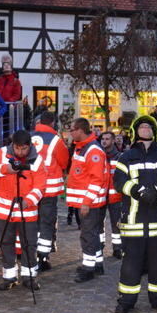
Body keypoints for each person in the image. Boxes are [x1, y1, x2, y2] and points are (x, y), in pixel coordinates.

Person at [113, 115, 157, 313]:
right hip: (134, 221)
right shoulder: (126, 157)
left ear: (155, 131)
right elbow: (119, 181)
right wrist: (139, 191)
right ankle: (126, 301)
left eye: (149, 127)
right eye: (141, 126)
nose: (145, 129)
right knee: (131, 264)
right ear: (135, 132)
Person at [0, 130, 47, 290]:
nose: (20, 152)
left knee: (29, 244)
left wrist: (29, 200)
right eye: (17, 148)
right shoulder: (2, 153)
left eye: (23, 149)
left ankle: (29, 277)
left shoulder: (37, 160)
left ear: (29, 146)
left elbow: (40, 185)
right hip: (3, 211)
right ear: (13, 145)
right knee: (6, 243)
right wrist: (6, 169)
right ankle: (9, 277)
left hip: (27, 210)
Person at [66, 118, 108, 283]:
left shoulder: (92, 151)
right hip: (87, 201)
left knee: (88, 235)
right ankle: (97, 264)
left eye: (72, 130)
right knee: (93, 234)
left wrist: (86, 202)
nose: (70, 133)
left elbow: (96, 179)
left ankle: (88, 268)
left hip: (89, 202)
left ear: (80, 130)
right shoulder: (82, 148)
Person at [31, 111, 70, 271]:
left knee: (32, 222)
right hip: (49, 189)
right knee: (46, 223)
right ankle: (43, 257)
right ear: (53, 123)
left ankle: (29, 253)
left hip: (32, 188)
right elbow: (64, 161)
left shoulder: (29, 136)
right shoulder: (56, 140)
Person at [99, 130, 123, 260]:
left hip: (115, 196)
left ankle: (117, 248)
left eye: (107, 139)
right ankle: (99, 245)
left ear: (113, 141)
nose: (104, 141)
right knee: (98, 223)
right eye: (103, 138)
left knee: (116, 224)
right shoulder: (98, 155)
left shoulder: (119, 157)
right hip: (100, 195)